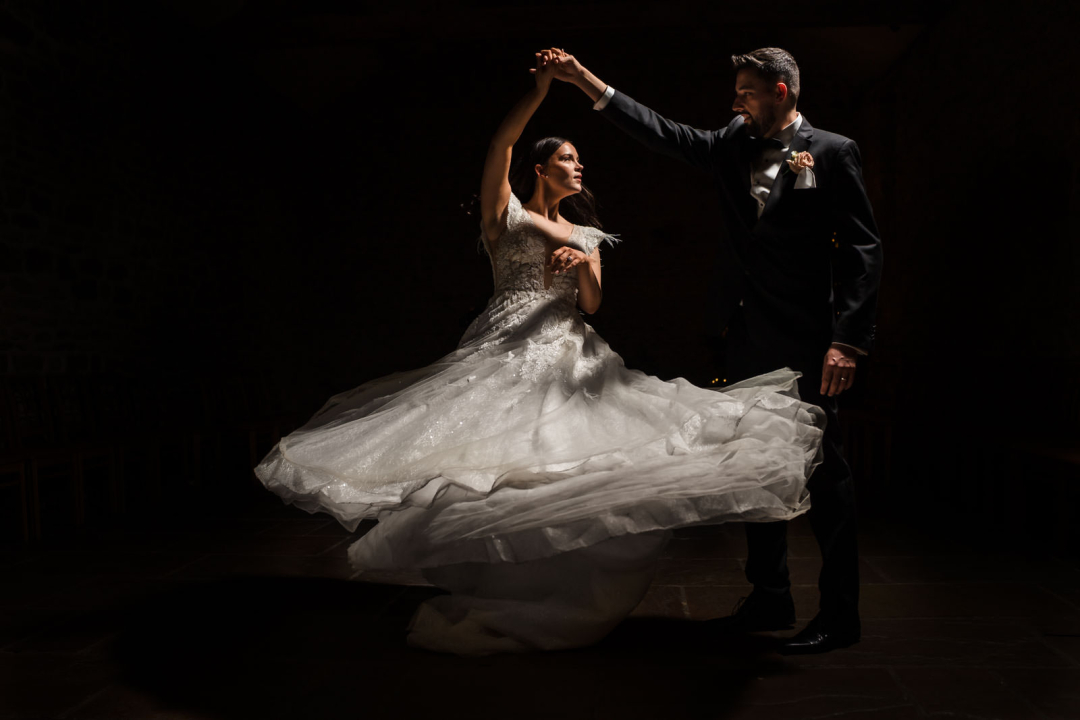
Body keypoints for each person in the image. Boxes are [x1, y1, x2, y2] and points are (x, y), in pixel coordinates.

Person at [254, 50, 824, 655]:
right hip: (505, 345)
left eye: (579, 159)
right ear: (541, 169)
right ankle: (504, 577)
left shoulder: (587, 233)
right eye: (568, 158)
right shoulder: (505, 215)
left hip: (572, 355)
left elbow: (593, 303)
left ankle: (556, 583)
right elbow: (501, 145)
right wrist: (542, 91)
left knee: (565, 465)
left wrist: (582, 263)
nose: (579, 166)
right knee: (495, 464)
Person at [541, 46, 883, 654]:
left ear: (781, 91)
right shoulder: (730, 142)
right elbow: (661, 132)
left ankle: (840, 614)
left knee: (825, 470)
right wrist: (584, 81)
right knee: (754, 463)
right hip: (743, 333)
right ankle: (770, 597)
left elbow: (863, 250)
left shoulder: (833, 152)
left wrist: (847, 341)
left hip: (808, 339)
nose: (736, 101)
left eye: (747, 91)